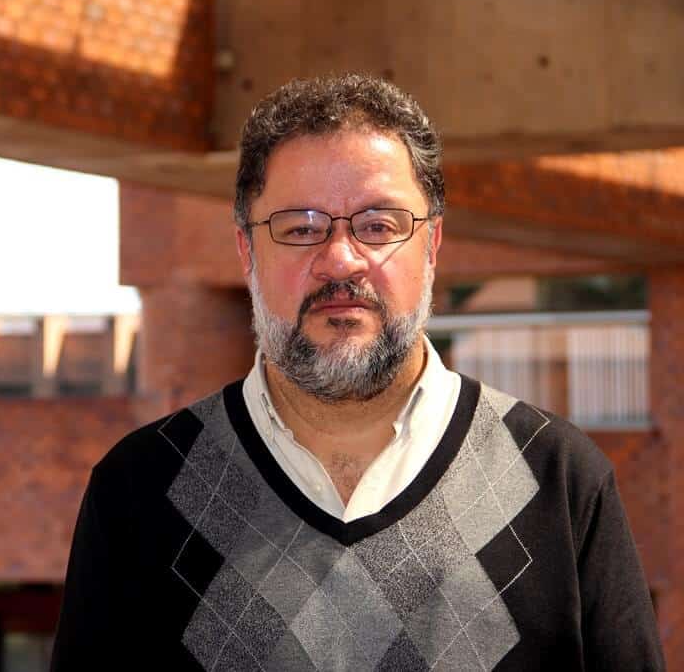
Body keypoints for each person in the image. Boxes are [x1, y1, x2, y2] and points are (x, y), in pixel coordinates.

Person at [51, 75, 664, 670]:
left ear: (431, 245)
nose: (341, 260)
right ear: (246, 251)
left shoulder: (554, 478)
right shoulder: (142, 488)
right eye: (301, 228)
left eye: (378, 226)